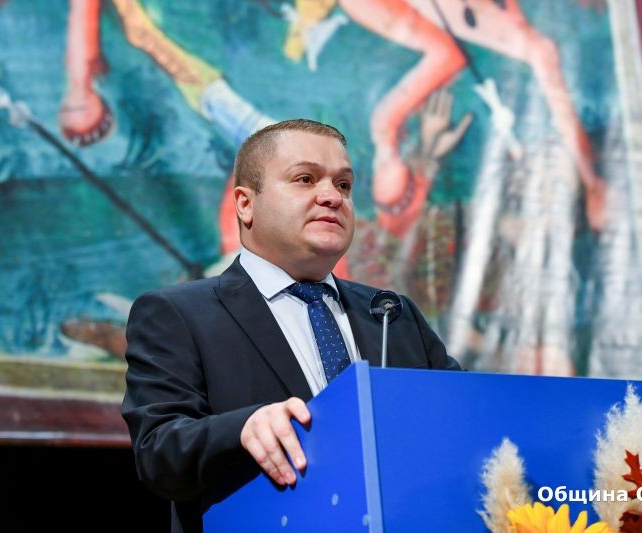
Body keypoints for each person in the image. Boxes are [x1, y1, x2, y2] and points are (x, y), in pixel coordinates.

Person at [122, 118, 462, 533]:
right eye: (305, 179)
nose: (332, 197)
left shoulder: (392, 315)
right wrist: (242, 428)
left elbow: (462, 422)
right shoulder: (178, 314)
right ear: (245, 204)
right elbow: (158, 455)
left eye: (344, 185)